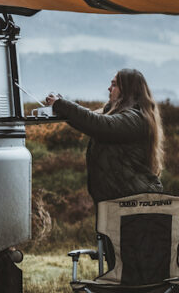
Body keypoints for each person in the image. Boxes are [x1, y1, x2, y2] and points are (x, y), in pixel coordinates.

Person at [43, 68, 165, 202]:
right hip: (123, 200)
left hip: (135, 201)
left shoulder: (135, 119)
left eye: (114, 85)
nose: (109, 88)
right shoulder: (119, 115)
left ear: (127, 90)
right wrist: (62, 109)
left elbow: (98, 124)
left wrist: (61, 104)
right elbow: (88, 121)